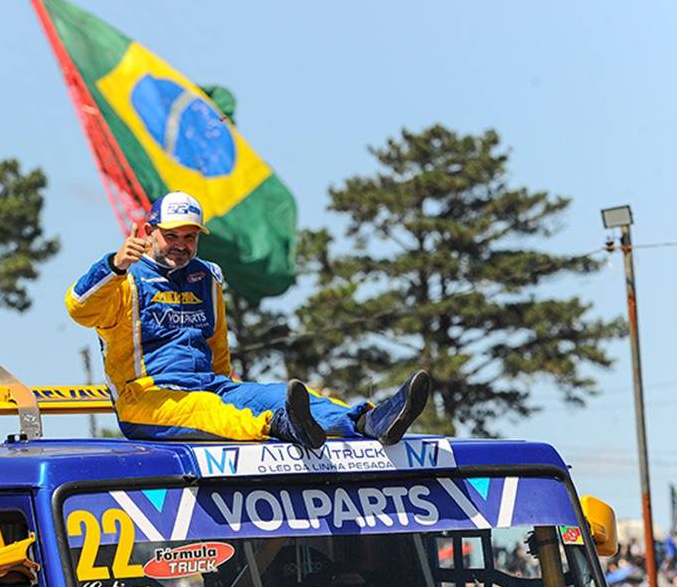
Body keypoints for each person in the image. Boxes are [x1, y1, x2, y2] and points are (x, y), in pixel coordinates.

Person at [65, 191, 430, 449]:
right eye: (171, 235)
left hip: (211, 385)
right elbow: (79, 308)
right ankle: (280, 425)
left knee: (274, 392)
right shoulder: (123, 278)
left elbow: (217, 346)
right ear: (148, 232)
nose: (181, 244)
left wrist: (234, 388)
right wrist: (114, 265)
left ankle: (369, 421)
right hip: (147, 398)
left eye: (189, 237)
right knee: (210, 411)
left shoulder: (205, 277)